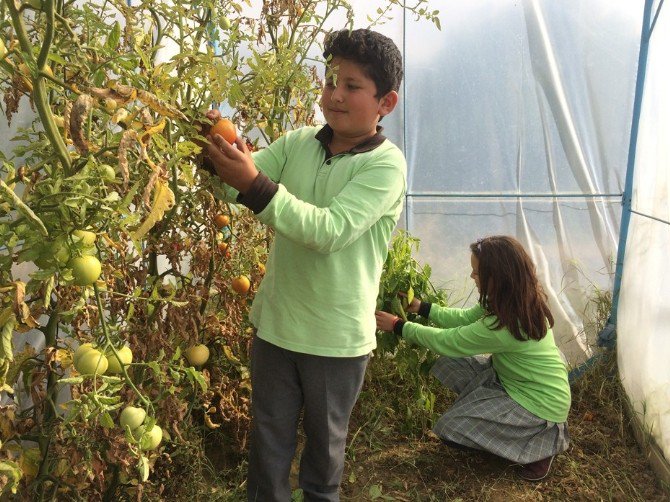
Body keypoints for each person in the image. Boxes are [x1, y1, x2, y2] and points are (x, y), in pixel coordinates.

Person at [201, 29, 406, 501]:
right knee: (267, 453)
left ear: (385, 102)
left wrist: (253, 183)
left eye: (352, 86)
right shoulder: (298, 142)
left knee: (323, 459)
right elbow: (236, 186)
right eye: (331, 81)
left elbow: (328, 232)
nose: (334, 95)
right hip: (276, 328)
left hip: (336, 342)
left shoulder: (384, 167)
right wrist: (215, 151)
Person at [375, 235, 571, 482]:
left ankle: (539, 447)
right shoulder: (510, 301)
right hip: (513, 381)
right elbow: (463, 319)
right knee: (446, 361)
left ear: (497, 277)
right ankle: (490, 409)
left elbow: (449, 341)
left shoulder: (506, 325)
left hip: (539, 407)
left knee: (451, 427)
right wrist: (422, 308)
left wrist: (398, 326)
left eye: (477, 273)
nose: (472, 277)